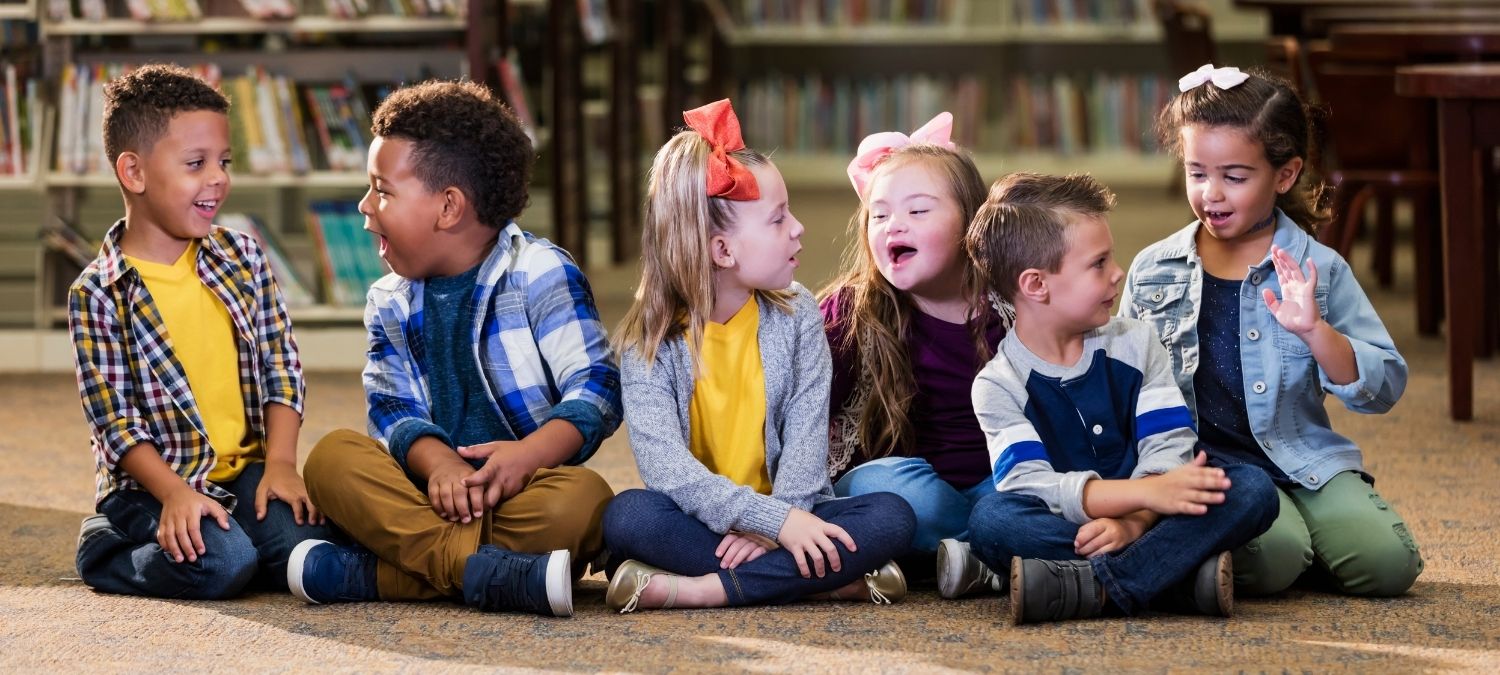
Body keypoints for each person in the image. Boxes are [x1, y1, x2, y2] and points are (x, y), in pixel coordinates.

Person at [291, 81, 620, 617]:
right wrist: (439, 463)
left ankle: (381, 574)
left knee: (586, 503)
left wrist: (526, 456)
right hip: (424, 492)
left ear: (448, 207)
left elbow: (597, 387)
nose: (364, 205)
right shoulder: (388, 300)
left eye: (382, 190)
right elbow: (392, 408)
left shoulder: (540, 273)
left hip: (518, 492)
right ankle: (485, 573)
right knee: (332, 460)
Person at [602, 99, 915, 612]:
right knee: (629, 517)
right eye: (777, 220)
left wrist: (782, 521)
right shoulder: (646, 344)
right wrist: (776, 527)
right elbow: (669, 474)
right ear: (722, 251)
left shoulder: (799, 315)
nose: (798, 228)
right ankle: (822, 580)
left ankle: (707, 590)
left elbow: (807, 442)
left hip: (797, 510)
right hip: (705, 520)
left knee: (892, 515)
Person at [1121, 64, 1422, 597]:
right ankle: (1262, 544)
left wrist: (1315, 332)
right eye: (1197, 173)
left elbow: (1385, 386)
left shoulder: (1320, 269)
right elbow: (1124, 383)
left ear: (1284, 175)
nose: (1211, 193)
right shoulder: (1153, 268)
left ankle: (1233, 549)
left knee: (1388, 565)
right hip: (1208, 468)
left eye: (1234, 177)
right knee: (1275, 561)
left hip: (1300, 456)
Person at [964, 171, 1278, 624]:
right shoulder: (997, 385)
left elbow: (1168, 447)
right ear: (1036, 285)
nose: (1118, 273)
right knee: (992, 521)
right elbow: (1031, 485)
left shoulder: (1136, 342)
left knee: (1251, 489)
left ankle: (1093, 587)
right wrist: (1142, 495)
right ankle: (1173, 578)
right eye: (1099, 263)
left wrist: (1137, 520)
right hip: (1073, 522)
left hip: (1153, 511)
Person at [72, 64, 336, 599]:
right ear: (134, 172)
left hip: (242, 471)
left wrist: (281, 465)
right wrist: (173, 494)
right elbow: (115, 423)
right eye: (196, 164)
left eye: (224, 161)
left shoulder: (242, 256)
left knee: (311, 546)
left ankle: (236, 527)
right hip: (150, 485)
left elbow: (282, 366)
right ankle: (106, 549)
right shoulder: (98, 292)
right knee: (224, 565)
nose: (217, 177)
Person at [818, 112, 1005, 599]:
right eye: (878, 215)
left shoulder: (1013, 307)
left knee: (1025, 495)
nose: (894, 225)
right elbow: (801, 415)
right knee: (894, 491)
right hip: (906, 491)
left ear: (973, 222)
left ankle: (978, 549)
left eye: (918, 212)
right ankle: (999, 550)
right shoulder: (848, 311)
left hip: (998, 484)